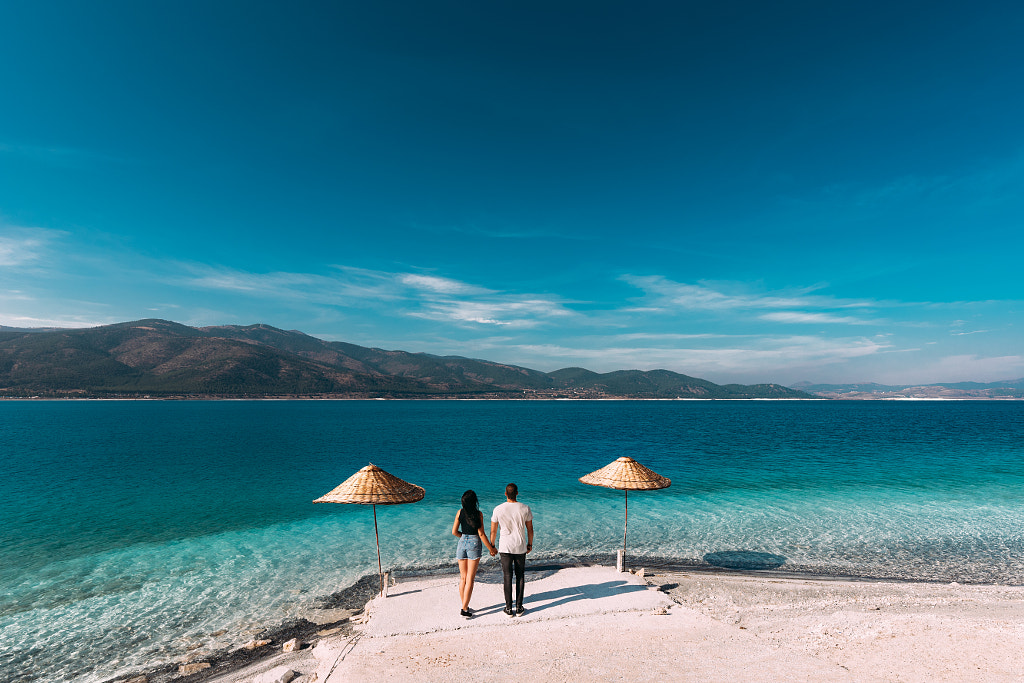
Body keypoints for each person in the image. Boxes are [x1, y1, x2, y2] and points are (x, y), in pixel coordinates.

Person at [490, 482, 534, 617]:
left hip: (505, 547)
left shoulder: (498, 509)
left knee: (507, 576)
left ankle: (508, 608)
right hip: (520, 546)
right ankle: (519, 607)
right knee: (520, 576)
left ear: (505, 494)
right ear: (517, 493)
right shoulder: (525, 508)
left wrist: (492, 546)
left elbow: (493, 530)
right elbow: (530, 529)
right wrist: (530, 544)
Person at [451, 489, 497, 618]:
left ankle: (464, 605)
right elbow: (481, 534)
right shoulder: (479, 514)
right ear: (474, 501)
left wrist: (463, 537)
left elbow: (454, 532)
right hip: (474, 543)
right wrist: (491, 549)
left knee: (463, 578)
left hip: (462, 542)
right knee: (470, 579)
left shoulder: (459, 512)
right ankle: (464, 608)